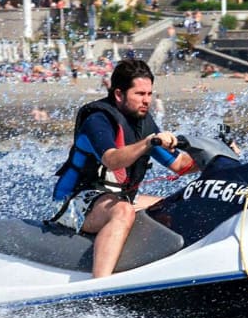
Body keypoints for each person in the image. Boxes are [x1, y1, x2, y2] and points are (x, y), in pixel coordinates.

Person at [52, 59, 196, 278]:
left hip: (115, 198)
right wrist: (148, 143)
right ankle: (99, 288)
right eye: (139, 94)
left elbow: (180, 165)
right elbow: (111, 159)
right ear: (119, 94)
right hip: (78, 203)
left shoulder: (144, 122)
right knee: (124, 211)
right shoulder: (97, 120)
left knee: (173, 203)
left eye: (149, 94)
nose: (146, 100)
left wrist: (214, 155)